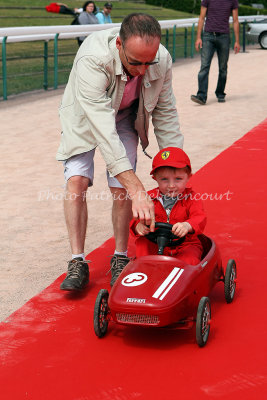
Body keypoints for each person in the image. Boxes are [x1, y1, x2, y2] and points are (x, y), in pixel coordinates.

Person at [56, 13, 183, 291]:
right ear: (118, 45)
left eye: (149, 62)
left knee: (120, 187)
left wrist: (175, 165)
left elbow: (165, 111)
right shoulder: (93, 57)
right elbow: (102, 129)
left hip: (127, 114)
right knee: (77, 181)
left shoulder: (161, 58)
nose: (142, 70)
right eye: (135, 62)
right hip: (84, 116)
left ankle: (120, 257)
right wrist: (140, 190)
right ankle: (77, 261)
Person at [130, 147, 207, 265]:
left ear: (188, 177)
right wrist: (138, 226)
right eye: (164, 179)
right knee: (142, 243)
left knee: (190, 259)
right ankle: (144, 268)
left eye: (178, 179)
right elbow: (137, 217)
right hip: (156, 241)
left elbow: (199, 217)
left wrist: (187, 225)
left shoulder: (192, 198)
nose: (171, 185)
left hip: (185, 243)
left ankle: (185, 278)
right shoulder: (149, 198)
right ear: (155, 178)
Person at [191, 0, 240, 105]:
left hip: (224, 37)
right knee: (204, 66)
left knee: (223, 68)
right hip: (208, 36)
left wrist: (237, 41)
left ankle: (220, 93)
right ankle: (201, 96)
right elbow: (201, 17)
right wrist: (198, 37)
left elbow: (235, 21)